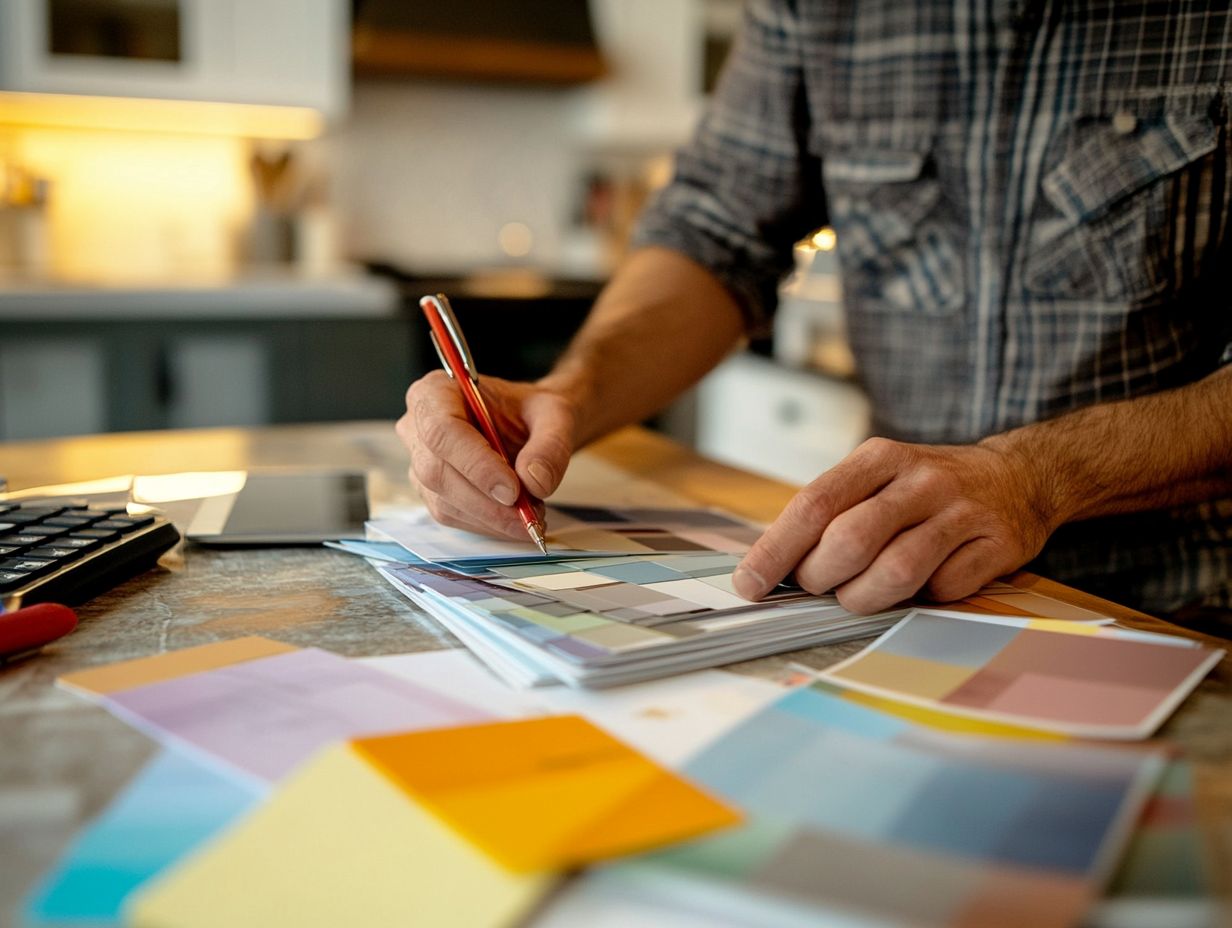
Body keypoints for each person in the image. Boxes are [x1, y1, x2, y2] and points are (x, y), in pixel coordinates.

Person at [398, 2, 1232, 621]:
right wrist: (569, 397)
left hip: (1191, 609)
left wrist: (1038, 479)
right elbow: (715, 231)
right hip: (910, 600)